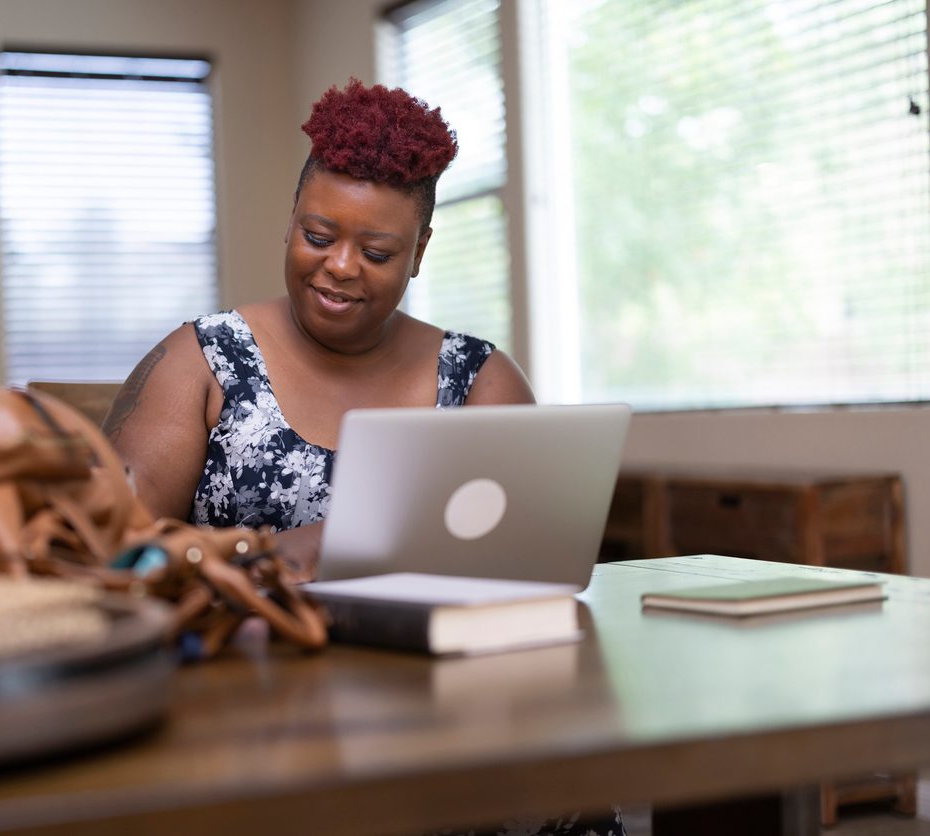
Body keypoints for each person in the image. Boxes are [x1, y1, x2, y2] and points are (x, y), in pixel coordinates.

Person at [105, 78, 625, 836]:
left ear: (418, 253)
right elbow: (109, 564)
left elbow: (537, 574)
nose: (340, 266)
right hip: (252, 720)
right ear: (290, 224)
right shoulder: (205, 360)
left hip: (450, 720)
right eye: (318, 236)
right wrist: (271, 554)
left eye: (376, 250)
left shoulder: (477, 379)